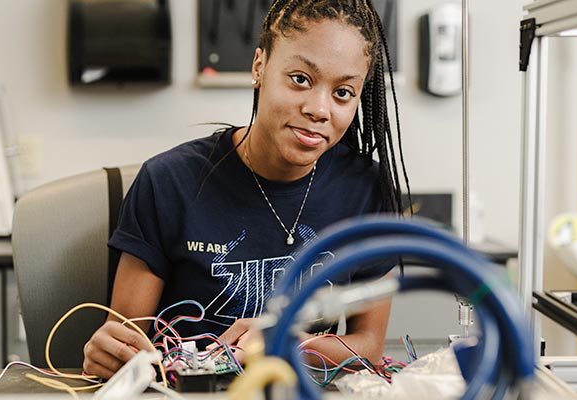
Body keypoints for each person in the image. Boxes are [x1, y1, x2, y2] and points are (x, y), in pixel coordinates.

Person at [83, 0, 410, 379]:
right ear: (259, 66)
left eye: (343, 93)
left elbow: (367, 345)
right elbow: (126, 340)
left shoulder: (366, 191)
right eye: (300, 79)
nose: (320, 109)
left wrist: (286, 343)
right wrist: (109, 354)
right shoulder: (168, 182)